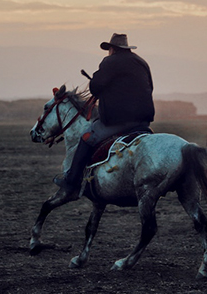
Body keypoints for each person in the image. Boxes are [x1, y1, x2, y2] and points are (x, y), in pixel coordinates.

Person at [54, 33, 155, 201]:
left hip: (119, 120)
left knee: (86, 137)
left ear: (113, 49)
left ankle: (71, 183)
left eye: (109, 49)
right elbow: (149, 87)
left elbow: (95, 87)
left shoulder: (110, 62)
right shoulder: (141, 62)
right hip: (144, 119)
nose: (108, 52)